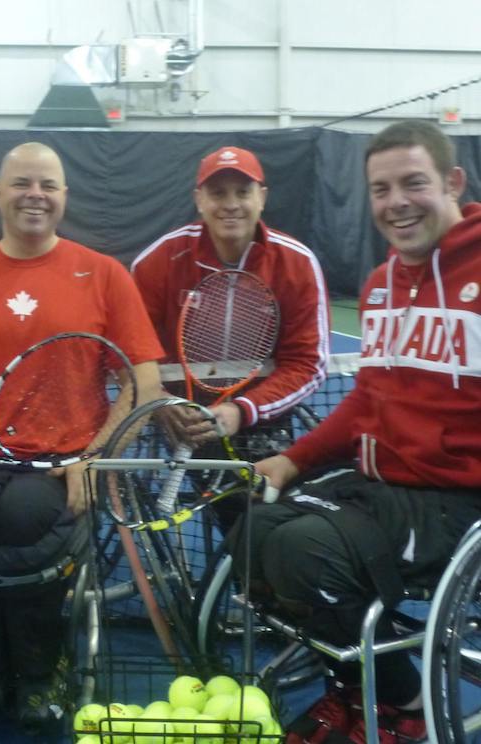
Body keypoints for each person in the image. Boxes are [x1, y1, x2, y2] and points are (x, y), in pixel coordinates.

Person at [0, 142, 165, 734]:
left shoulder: (104, 274)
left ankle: (41, 670)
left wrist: (97, 459)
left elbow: (143, 381)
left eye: (47, 184)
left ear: (65, 196)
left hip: (64, 465)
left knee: (23, 521)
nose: (34, 195)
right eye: (21, 183)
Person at [231, 120, 481, 744]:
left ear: (454, 182)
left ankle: (405, 701)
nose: (396, 202)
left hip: (459, 503)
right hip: (382, 487)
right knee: (251, 530)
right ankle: (354, 689)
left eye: (413, 183)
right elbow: (364, 401)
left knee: (303, 552)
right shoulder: (379, 285)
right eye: (380, 188)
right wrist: (290, 460)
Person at [130, 145, 330, 440]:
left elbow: (306, 362)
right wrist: (157, 400)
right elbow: (131, 351)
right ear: (199, 200)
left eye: (242, 192)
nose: (231, 204)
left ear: (261, 197)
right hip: (174, 418)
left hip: (259, 419)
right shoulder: (157, 262)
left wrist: (244, 410)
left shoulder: (297, 264)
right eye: (218, 193)